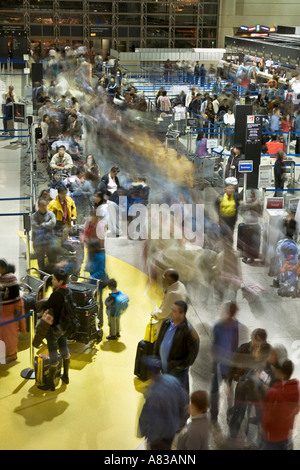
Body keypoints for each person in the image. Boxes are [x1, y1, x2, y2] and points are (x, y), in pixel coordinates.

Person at [138, 357, 189, 450]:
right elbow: (184, 400)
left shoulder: (152, 392)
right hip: (171, 431)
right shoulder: (172, 380)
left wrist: (143, 432)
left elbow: (146, 416)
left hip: (158, 437)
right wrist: (181, 422)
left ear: (149, 373)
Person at [153, 300, 200, 392]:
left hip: (177, 373)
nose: (171, 312)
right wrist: (156, 357)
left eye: (174, 311)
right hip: (164, 368)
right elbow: (158, 341)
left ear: (182, 314)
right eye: (172, 310)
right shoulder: (166, 322)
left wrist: (176, 367)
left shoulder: (189, 332)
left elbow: (191, 357)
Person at [37, 268, 71, 390]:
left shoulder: (56, 294)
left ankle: (50, 383)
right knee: (64, 350)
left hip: (54, 329)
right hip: (64, 328)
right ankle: (66, 376)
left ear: (60, 281)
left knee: (53, 356)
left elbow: (46, 306)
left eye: (54, 279)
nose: (52, 281)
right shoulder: (68, 291)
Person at [210, 302, 239, 424]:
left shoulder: (235, 325)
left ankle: (229, 412)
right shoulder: (218, 326)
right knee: (215, 391)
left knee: (229, 390)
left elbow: (235, 344)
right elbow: (215, 345)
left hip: (229, 364)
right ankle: (213, 414)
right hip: (219, 364)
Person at [262, 359, 300, 450]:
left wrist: (264, 427)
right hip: (286, 432)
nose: (275, 372)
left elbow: (268, 413)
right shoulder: (295, 389)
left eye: (277, 370)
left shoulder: (273, 392)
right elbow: (296, 408)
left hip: (273, 435)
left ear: (282, 373)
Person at [0, 260, 26, 363]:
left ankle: (12, 354)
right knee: (4, 334)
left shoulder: (11, 278)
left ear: (3, 268)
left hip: (10, 311)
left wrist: (17, 313)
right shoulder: (3, 277)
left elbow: (15, 297)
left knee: (10, 334)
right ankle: (6, 353)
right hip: (4, 312)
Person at [151, 268, 188, 334]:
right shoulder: (180, 285)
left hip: (171, 323)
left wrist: (154, 314)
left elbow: (163, 313)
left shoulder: (173, 294)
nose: (162, 278)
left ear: (170, 280)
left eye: (164, 276)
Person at [31, 198, 57, 274]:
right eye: (42, 206)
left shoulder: (51, 214)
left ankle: (52, 276)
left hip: (49, 240)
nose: (44, 207)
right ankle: (42, 276)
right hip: (38, 242)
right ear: (38, 206)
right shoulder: (34, 216)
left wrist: (42, 224)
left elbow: (53, 224)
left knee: (52, 259)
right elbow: (35, 227)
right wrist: (47, 224)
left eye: (45, 205)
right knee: (40, 261)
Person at [47, 183, 77, 247]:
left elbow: (73, 208)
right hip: (57, 225)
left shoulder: (69, 200)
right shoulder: (53, 204)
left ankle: (60, 252)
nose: (64, 195)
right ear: (59, 193)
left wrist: (73, 216)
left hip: (66, 224)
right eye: (62, 193)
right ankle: (57, 254)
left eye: (65, 193)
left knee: (63, 240)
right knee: (57, 241)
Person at [99, 166, 122, 237]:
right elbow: (102, 188)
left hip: (115, 198)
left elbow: (118, 187)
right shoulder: (105, 178)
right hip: (107, 198)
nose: (115, 175)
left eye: (116, 174)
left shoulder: (116, 178)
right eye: (114, 173)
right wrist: (109, 193)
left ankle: (116, 229)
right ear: (111, 172)